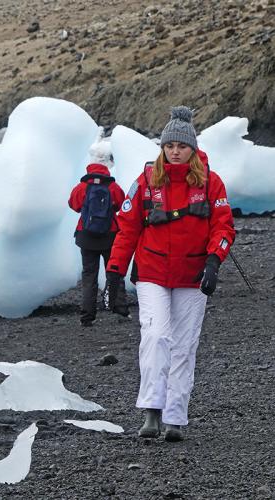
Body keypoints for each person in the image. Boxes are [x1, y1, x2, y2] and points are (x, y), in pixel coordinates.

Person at [106, 106, 235, 441]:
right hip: (152, 272)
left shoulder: (211, 182)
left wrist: (214, 262)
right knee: (156, 336)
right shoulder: (146, 181)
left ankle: (175, 418)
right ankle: (151, 411)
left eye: (181, 146)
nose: (175, 151)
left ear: (192, 148)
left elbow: (223, 226)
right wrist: (115, 272)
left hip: (193, 276)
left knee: (184, 346)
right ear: (162, 148)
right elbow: (127, 228)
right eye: (169, 146)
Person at [69, 135, 129, 327]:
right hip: (110, 235)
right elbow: (121, 204)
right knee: (113, 271)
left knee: (89, 274)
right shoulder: (112, 186)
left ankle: (87, 315)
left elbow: (73, 205)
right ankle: (119, 308)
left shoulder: (82, 186)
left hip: (86, 236)